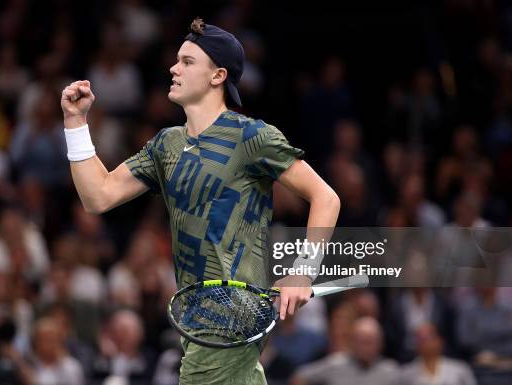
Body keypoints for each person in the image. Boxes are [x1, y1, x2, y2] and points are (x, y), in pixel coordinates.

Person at [60, 17, 340, 385]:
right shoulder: (166, 144)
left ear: (218, 75)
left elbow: (325, 197)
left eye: (188, 62)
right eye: (177, 59)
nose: (174, 68)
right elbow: (99, 196)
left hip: (231, 321)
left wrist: (304, 269)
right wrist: (76, 122)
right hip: (197, 322)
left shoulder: (252, 136)